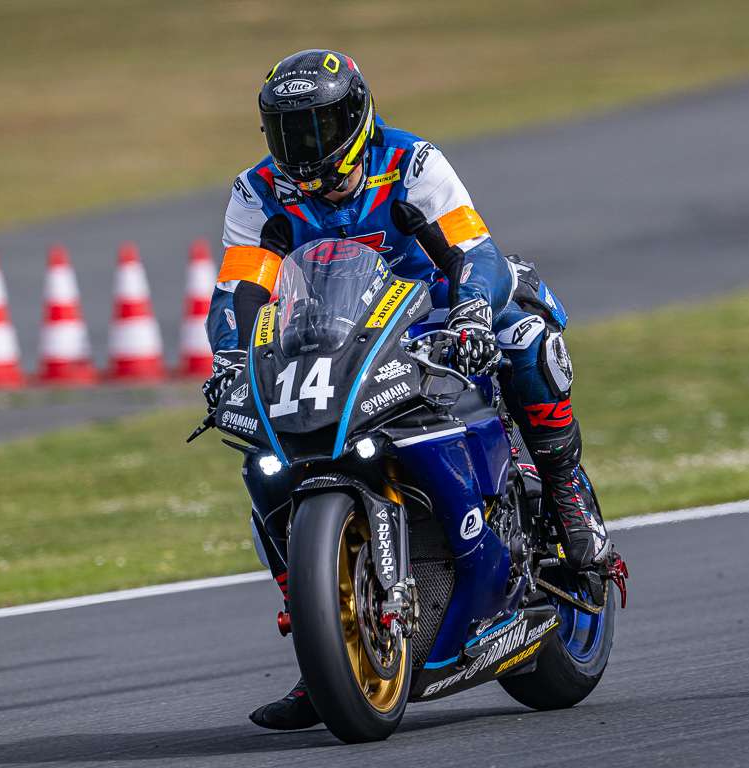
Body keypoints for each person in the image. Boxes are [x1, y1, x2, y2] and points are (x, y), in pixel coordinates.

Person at [202, 49, 610, 730]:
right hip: (333, 334)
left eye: (321, 125)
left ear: (358, 116)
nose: (306, 146)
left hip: (436, 313)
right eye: (289, 130)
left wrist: (472, 311)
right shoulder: (258, 190)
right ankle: (324, 640)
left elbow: (473, 249)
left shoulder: (411, 162)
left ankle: (565, 489)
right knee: (265, 458)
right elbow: (240, 288)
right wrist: (230, 358)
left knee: (526, 338)